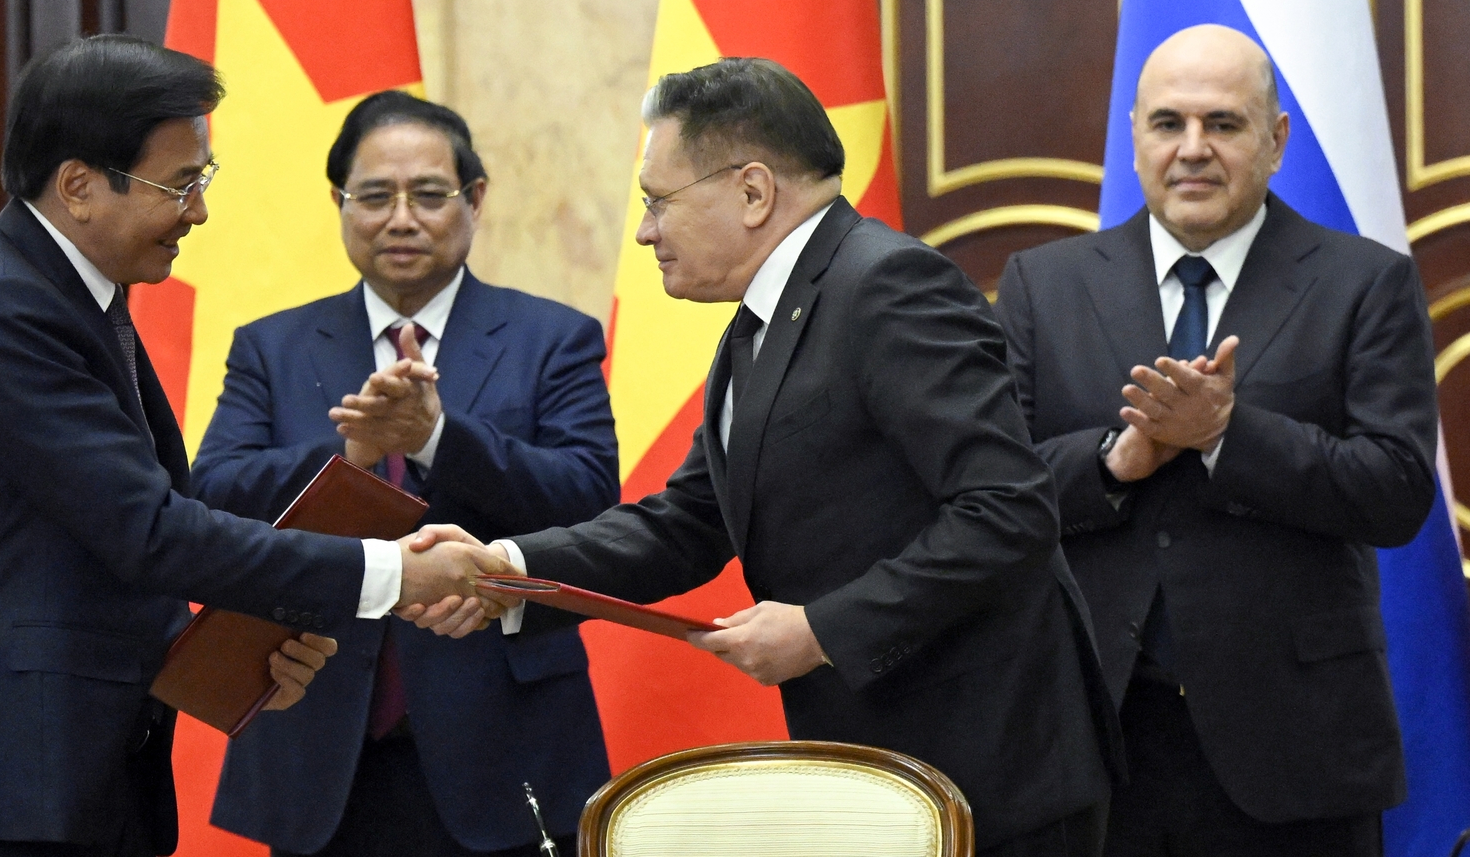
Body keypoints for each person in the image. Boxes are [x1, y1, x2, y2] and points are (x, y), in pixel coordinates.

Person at [408, 58, 1121, 857]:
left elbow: (1008, 509)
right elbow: (686, 523)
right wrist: (505, 569)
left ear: (752, 192)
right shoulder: (759, 323)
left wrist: (822, 629)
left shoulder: (887, 285)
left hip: (991, 768)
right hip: (880, 762)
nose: (645, 232)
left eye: (657, 201)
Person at [0, 36, 507, 857]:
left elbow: (123, 530)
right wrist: (389, 574)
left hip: (68, 777)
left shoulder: (72, 295)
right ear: (79, 186)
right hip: (6, 788)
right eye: (179, 184)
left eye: (202, 180)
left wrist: (242, 654)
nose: (198, 211)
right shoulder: (8, 309)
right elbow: (149, 532)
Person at [993, 24, 1438, 856]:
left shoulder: (1364, 283)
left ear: (1274, 141)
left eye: (1222, 124)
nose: (1192, 149)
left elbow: (1396, 490)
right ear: (1134, 137)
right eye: (1168, 123)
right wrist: (1113, 461)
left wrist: (1226, 434)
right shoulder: (1042, 285)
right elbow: (993, 494)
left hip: (1295, 750)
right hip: (1095, 742)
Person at [193, 90, 617, 857]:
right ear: (338, 203)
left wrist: (437, 439)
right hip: (318, 736)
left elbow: (588, 500)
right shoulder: (272, 346)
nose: (400, 219)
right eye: (374, 196)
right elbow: (214, 498)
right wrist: (351, 459)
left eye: (427, 195)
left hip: (504, 738)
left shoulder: (553, 338)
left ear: (474, 199)